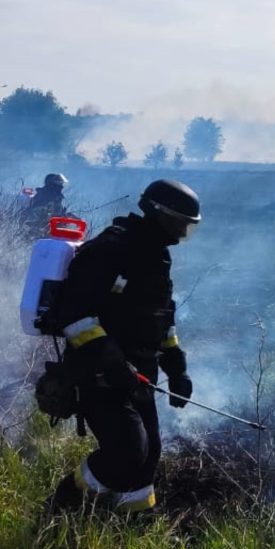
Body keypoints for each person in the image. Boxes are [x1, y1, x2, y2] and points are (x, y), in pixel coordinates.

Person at [47, 179, 200, 514]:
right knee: (127, 452)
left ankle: (135, 521)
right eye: (181, 223)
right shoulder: (111, 249)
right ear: (159, 214)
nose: (184, 231)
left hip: (140, 375)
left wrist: (176, 366)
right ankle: (60, 507)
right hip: (98, 373)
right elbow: (76, 317)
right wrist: (112, 364)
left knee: (148, 456)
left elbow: (161, 317)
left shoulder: (157, 257)